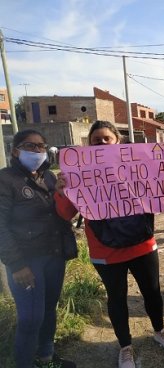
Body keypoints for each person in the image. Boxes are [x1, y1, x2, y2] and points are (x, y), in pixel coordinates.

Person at [56, 121, 164, 368]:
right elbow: (65, 213)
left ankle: (159, 330)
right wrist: (62, 191)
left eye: (106, 139)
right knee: (117, 298)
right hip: (105, 251)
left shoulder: (137, 164)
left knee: (152, 291)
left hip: (142, 244)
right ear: (88, 145)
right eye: (95, 140)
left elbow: (161, 195)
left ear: (118, 142)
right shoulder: (78, 173)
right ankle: (125, 346)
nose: (101, 143)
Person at [0, 129, 76, 368]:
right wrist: (16, 264)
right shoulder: (5, 179)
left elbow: (62, 212)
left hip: (53, 256)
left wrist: (65, 194)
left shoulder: (50, 178)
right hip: (26, 261)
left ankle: (46, 356)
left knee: (48, 309)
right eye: (30, 146)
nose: (37, 151)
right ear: (15, 150)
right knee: (31, 317)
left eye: (41, 146)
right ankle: (24, 363)